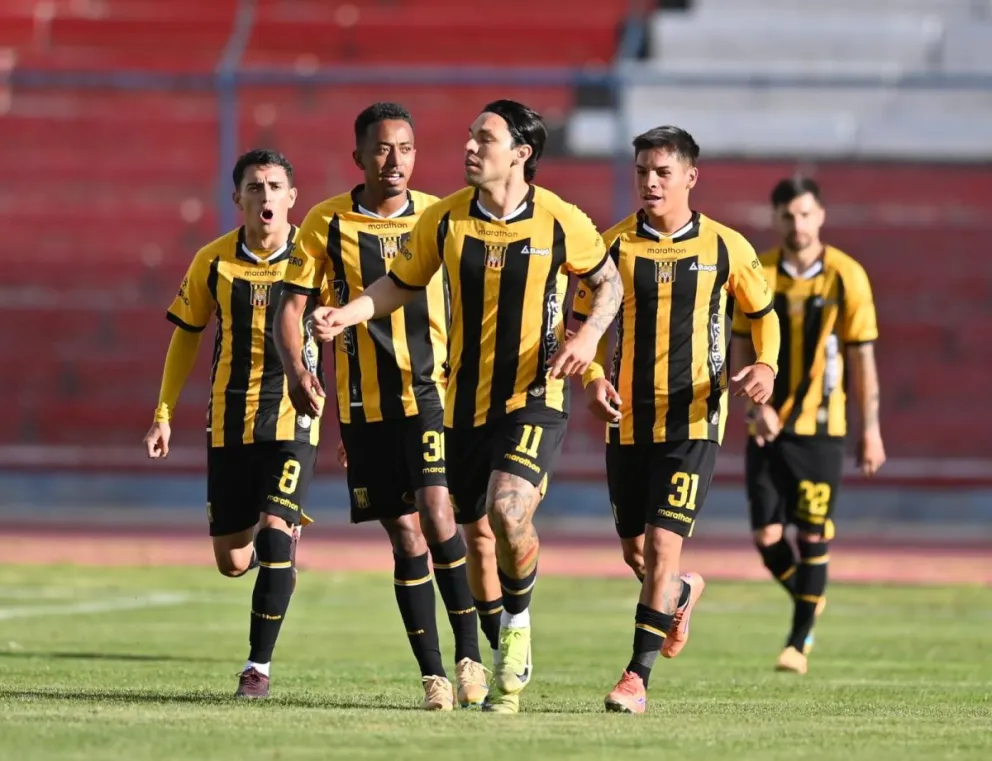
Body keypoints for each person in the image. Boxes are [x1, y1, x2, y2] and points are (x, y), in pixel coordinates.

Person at [308, 99, 623, 713]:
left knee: (509, 509)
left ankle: (517, 625)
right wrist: (347, 313)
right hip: (462, 407)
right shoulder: (446, 218)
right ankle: (491, 648)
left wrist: (587, 338)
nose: (470, 147)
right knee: (475, 535)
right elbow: (399, 283)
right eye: (470, 136)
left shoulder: (560, 219)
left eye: (485, 138)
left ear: (521, 154)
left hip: (535, 396)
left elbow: (607, 282)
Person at [275, 102, 488, 711]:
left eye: (406, 148)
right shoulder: (326, 222)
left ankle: (470, 658)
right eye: (383, 148)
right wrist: (297, 371)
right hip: (364, 404)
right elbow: (291, 308)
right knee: (403, 533)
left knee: (438, 511)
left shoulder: (440, 217)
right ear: (359, 156)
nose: (395, 160)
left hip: (430, 392)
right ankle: (434, 676)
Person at [573, 126, 781, 714]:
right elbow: (581, 328)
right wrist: (592, 380)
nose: (651, 182)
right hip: (627, 421)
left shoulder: (726, 247)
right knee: (640, 556)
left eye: (662, 172)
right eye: (642, 171)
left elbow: (764, 315)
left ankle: (634, 680)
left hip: (694, 420)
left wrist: (765, 365)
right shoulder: (611, 248)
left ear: (690, 177)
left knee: (663, 547)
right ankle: (683, 592)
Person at [143, 148, 321, 699]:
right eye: (255, 186)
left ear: (292, 197)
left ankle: (257, 669)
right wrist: (163, 413)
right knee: (233, 561)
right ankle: (277, 554)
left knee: (274, 534)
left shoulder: (315, 260)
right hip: (228, 422)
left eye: (275, 186)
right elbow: (186, 335)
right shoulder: (213, 260)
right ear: (238, 197)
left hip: (293, 418)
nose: (266, 195)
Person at [730, 176, 885, 675]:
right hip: (767, 424)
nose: (797, 224)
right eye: (787, 216)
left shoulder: (846, 276)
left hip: (822, 428)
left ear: (820, 216)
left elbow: (862, 358)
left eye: (804, 214)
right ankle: (810, 596)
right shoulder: (760, 273)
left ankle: (797, 643)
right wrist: (754, 408)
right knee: (766, 536)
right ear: (775, 219)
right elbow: (740, 343)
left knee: (813, 535)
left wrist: (870, 428)